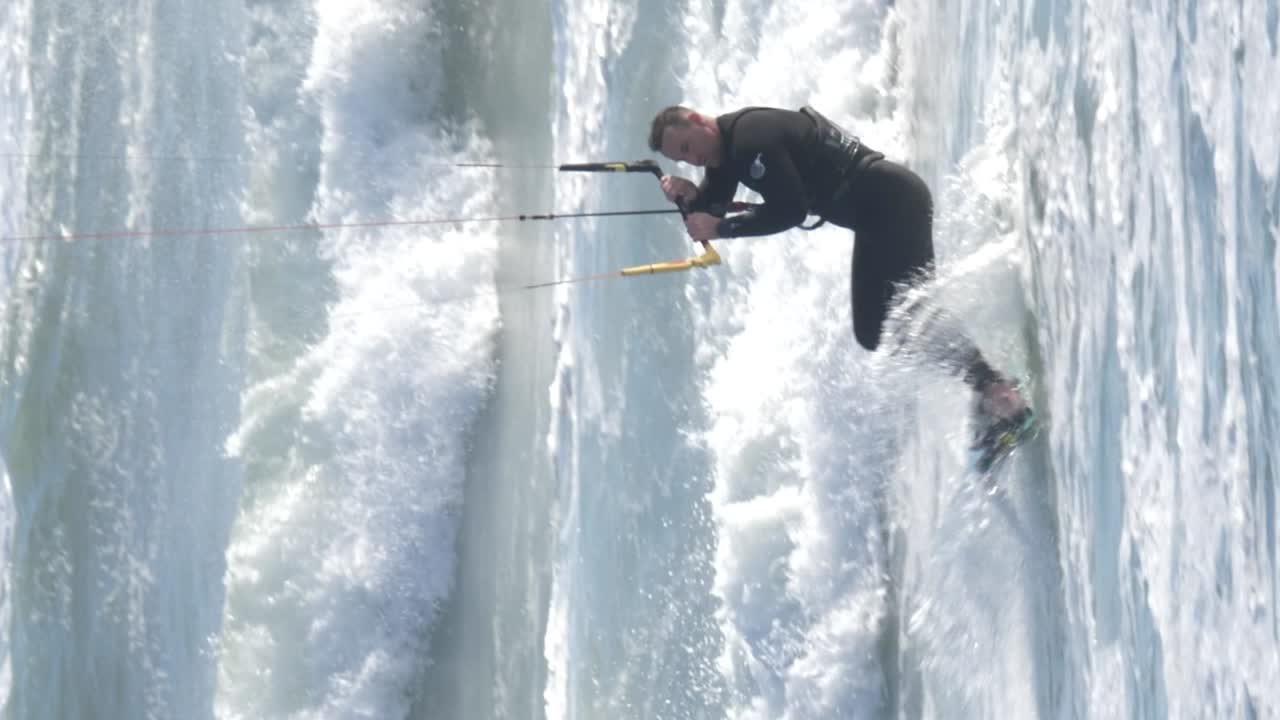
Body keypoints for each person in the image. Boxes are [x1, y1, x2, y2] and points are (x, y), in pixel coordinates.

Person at [648, 104, 1027, 420]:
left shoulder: (751, 137)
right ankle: (988, 386)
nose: (691, 158)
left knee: (912, 315)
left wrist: (723, 228)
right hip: (875, 220)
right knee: (875, 330)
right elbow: (710, 207)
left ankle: (997, 391)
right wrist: (689, 196)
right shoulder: (725, 153)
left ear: (696, 119)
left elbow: (791, 210)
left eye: (687, 146)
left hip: (896, 204)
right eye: (682, 157)